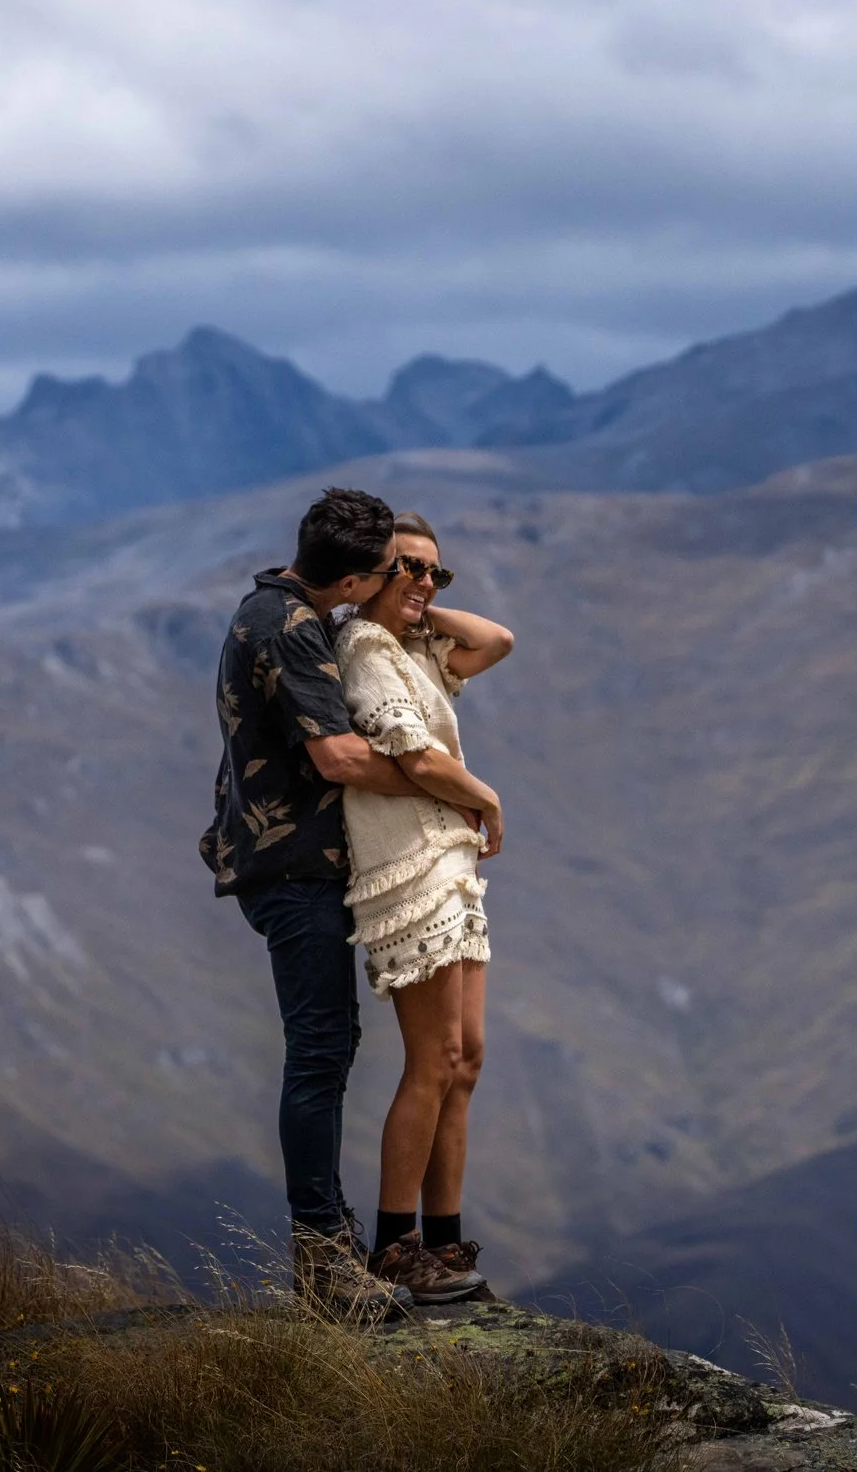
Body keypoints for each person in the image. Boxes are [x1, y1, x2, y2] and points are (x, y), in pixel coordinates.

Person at [199, 486, 430, 1318]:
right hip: (293, 865)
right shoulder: (293, 628)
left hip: (287, 863)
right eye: (384, 572)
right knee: (321, 1051)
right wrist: (436, 783)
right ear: (355, 579)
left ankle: (328, 1248)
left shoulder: (275, 606)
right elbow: (337, 756)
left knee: (325, 1049)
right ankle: (326, 1261)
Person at [333, 513, 514, 1304]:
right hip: (408, 868)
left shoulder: (415, 648)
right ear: (370, 572)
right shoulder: (365, 653)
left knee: (465, 1058)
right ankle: (395, 1244)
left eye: (437, 570)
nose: (425, 580)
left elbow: (497, 639)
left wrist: (419, 603)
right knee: (432, 1056)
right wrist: (488, 797)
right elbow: (414, 755)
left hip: (452, 864)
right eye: (405, 566)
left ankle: (443, 1239)